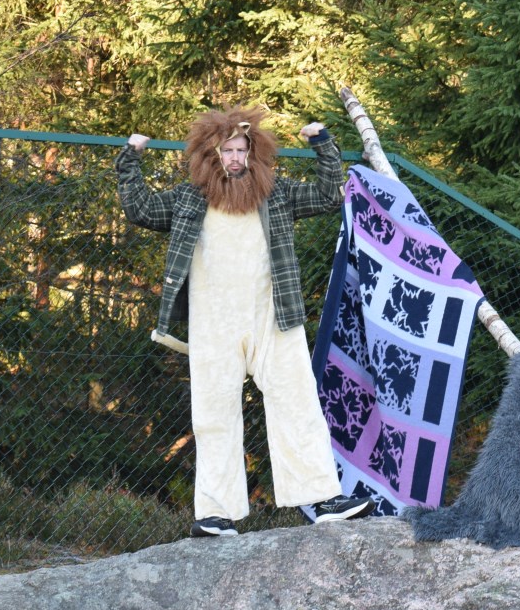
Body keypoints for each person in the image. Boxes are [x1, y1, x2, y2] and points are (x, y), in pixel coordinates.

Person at [116, 106, 371, 537]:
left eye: (242, 150)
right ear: (210, 155)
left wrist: (323, 144)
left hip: (275, 318)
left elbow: (329, 196)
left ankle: (324, 498)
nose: (235, 159)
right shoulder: (188, 199)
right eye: (227, 151)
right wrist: (130, 157)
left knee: (298, 404)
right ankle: (215, 514)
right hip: (213, 326)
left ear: (255, 153)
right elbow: (139, 208)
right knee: (213, 414)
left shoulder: (276, 194)